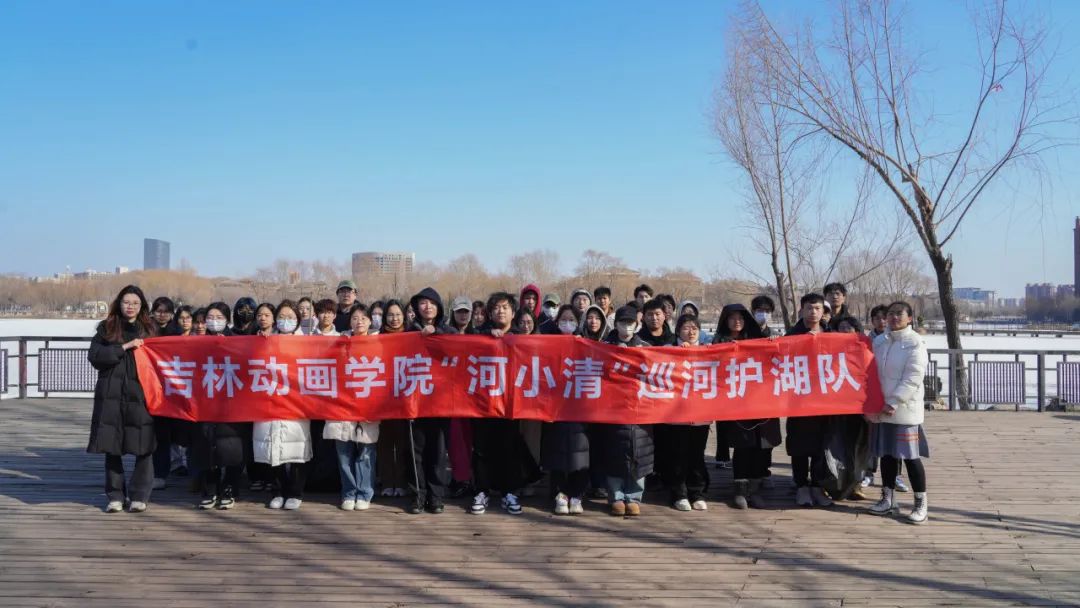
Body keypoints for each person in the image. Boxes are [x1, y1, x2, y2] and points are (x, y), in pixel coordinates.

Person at [87, 285, 158, 513]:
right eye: (126, 302)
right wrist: (124, 347)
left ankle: (139, 496)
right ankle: (115, 496)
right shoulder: (106, 327)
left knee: (144, 445)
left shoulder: (150, 329)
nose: (130, 307)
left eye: (135, 303)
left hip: (142, 394)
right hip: (112, 394)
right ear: (119, 304)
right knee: (112, 445)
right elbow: (95, 356)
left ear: (142, 306)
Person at [470, 292, 537, 516]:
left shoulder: (521, 338)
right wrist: (488, 336)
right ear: (490, 313)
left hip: (510, 403)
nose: (501, 311)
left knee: (509, 448)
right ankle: (482, 491)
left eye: (505, 307)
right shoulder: (480, 335)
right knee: (481, 448)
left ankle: (509, 492)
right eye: (496, 308)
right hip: (483, 402)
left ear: (513, 312)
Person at [539, 305, 608, 516]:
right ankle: (560, 494)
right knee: (558, 452)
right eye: (563, 319)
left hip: (581, 407)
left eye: (571, 319)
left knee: (581, 453)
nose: (567, 323)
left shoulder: (585, 343)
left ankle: (577, 494)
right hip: (556, 407)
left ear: (578, 322)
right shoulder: (547, 343)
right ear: (557, 321)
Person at [868, 301, 930, 524]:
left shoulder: (915, 342)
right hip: (882, 408)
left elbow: (914, 376)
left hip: (904, 409)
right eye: (891, 314)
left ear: (909, 318)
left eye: (899, 314)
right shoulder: (880, 341)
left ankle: (920, 502)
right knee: (886, 455)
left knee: (910, 457)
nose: (894, 317)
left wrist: (894, 401)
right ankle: (888, 499)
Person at [713, 304, 779, 509]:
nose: (737, 322)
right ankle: (740, 489)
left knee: (760, 446)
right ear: (725, 320)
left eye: (740, 318)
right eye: (732, 318)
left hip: (760, 400)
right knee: (742, 446)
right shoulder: (718, 342)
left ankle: (755, 488)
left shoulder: (758, 339)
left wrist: (772, 342)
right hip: (735, 402)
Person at [252, 300, 314, 510]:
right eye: (282, 316)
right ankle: (277, 490)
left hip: (296, 404)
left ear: (298, 319)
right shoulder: (265, 340)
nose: (286, 321)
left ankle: (295, 492)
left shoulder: (306, 342)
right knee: (272, 447)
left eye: (291, 317)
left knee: (296, 448)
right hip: (270, 401)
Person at [596, 305, 654, 516]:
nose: (626, 326)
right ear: (616, 323)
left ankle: (634, 496)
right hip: (613, 409)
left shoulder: (646, 347)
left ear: (637, 325)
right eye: (623, 322)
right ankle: (616, 496)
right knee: (614, 453)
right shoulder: (604, 346)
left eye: (630, 323)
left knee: (639, 452)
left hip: (640, 410)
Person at [192, 301, 250, 510]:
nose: (213, 322)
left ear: (227, 319)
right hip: (205, 403)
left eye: (219, 318)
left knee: (232, 448)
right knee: (206, 447)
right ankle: (209, 489)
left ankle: (229, 488)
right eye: (210, 318)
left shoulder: (236, 341)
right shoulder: (196, 343)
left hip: (231, 403)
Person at [325, 304, 379, 511]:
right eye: (355, 318)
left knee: (366, 453)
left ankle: (364, 493)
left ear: (370, 321)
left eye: (364, 318)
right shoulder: (340, 342)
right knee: (344, 452)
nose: (359, 322)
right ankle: (348, 492)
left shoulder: (379, 343)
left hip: (368, 405)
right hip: (342, 405)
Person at [655, 314, 712, 512]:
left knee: (697, 455)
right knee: (677, 455)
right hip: (676, 414)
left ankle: (697, 492)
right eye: (686, 327)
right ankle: (678, 493)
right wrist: (680, 353)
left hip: (701, 415)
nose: (691, 331)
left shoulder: (708, 350)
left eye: (694, 328)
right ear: (678, 330)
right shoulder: (668, 349)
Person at [406, 287, 454, 514]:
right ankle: (418, 495)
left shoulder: (449, 332)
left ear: (439, 307)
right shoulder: (408, 334)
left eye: (432, 303)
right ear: (417, 307)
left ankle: (436, 497)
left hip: (441, 401)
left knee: (438, 451)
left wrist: (437, 333)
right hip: (414, 400)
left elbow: (459, 352)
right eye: (423, 303)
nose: (428, 307)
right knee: (416, 451)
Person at [785, 293, 834, 508]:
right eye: (809, 308)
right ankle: (801, 486)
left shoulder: (832, 335)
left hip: (825, 401)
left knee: (821, 446)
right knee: (799, 445)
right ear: (801, 310)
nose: (813, 312)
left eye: (817, 308)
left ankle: (817, 486)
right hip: (799, 400)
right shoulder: (791, 335)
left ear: (823, 311)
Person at [861, 304, 910, 492]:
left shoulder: (901, 340)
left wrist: (897, 398)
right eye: (878, 318)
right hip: (872, 395)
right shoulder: (868, 341)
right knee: (871, 437)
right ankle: (869, 472)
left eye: (884, 317)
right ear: (872, 321)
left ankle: (895, 477)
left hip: (893, 399)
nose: (882, 321)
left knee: (895, 441)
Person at [376, 300, 411, 499]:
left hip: (404, 395)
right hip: (383, 396)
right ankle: (388, 482)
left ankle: (402, 482)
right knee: (385, 443)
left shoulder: (411, 336)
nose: (394, 318)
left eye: (398, 314)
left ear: (404, 316)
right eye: (390, 315)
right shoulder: (377, 337)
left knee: (403, 442)